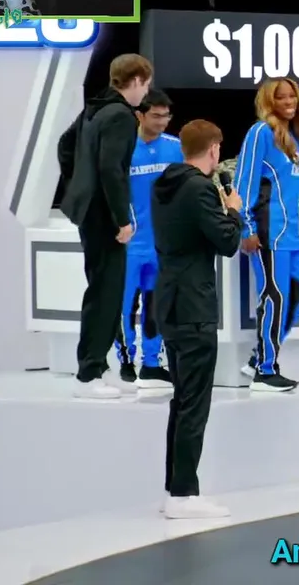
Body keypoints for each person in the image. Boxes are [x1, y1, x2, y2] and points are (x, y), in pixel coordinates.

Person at [150, 119, 243, 519]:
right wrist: (233, 212)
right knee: (194, 404)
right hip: (193, 307)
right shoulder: (200, 188)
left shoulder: (163, 185)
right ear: (214, 150)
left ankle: (175, 489)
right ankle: (184, 494)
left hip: (170, 302)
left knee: (182, 400)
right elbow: (227, 241)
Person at [59, 54, 153, 399]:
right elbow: (112, 170)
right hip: (103, 215)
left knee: (108, 290)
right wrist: (122, 219)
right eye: (146, 84)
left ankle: (98, 365)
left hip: (90, 210)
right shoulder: (120, 116)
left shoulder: (95, 108)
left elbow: (65, 146)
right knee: (104, 292)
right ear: (137, 80)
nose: (147, 91)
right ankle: (87, 374)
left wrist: (78, 183)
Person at [234, 78, 299, 392]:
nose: (289, 102)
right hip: (268, 233)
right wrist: (246, 227)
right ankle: (265, 371)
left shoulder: (296, 137)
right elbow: (245, 181)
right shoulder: (260, 133)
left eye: (292, 96)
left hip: (291, 234)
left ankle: (259, 358)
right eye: (281, 98)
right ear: (270, 101)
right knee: (274, 297)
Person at [115, 89, 183, 388]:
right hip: (129, 245)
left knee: (157, 305)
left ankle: (152, 363)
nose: (163, 122)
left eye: (166, 116)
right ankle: (126, 360)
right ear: (139, 115)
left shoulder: (176, 148)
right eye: (156, 116)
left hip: (162, 245)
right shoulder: (122, 149)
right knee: (125, 305)